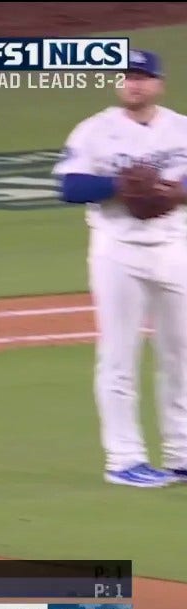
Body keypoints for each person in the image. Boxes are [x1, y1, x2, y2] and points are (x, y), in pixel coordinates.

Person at [54, 49, 187, 488]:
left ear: (159, 84)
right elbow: (70, 186)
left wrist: (174, 192)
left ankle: (182, 454)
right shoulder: (95, 130)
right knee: (118, 357)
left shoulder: (181, 127)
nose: (135, 83)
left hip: (175, 249)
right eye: (128, 77)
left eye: (143, 77)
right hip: (118, 252)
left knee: (182, 357)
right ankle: (124, 459)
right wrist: (119, 184)